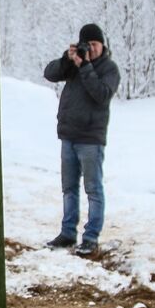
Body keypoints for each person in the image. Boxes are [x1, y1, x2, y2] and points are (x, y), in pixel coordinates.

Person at [42, 22, 121, 257]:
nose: (91, 49)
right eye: (88, 45)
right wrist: (67, 60)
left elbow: (102, 95)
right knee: (69, 188)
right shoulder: (75, 64)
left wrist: (85, 66)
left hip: (91, 138)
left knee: (93, 189)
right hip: (69, 135)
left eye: (95, 45)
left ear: (102, 45)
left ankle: (91, 237)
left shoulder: (109, 69)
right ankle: (67, 233)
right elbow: (50, 73)